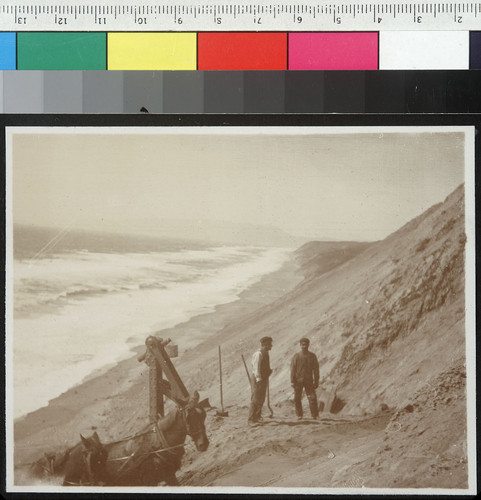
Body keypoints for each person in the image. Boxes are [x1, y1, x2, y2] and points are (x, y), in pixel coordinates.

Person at [290, 337, 319, 419]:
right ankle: (299, 415)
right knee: (297, 398)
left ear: (308, 345)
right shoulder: (296, 356)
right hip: (298, 381)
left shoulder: (312, 356)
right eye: (302, 344)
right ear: (300, 345)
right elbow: (292, 369)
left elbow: (316, 370)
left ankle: (315, 415)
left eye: (306, 344)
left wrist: (316, 381)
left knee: (312, 397)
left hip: (309, 380)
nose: (304, 346)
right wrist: (292, 381)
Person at [248, 336, 273, 425]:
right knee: (255, 399)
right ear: (264, 345)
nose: (271, 346)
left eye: (270, 344)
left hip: (263, 378)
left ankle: (257, 417)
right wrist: (259, 379)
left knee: (261, 399)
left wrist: (268, 371)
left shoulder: (266, 353)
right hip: (258, 379)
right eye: (269, 344)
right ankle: (251, 419)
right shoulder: (258, 354)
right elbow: (256, 368)